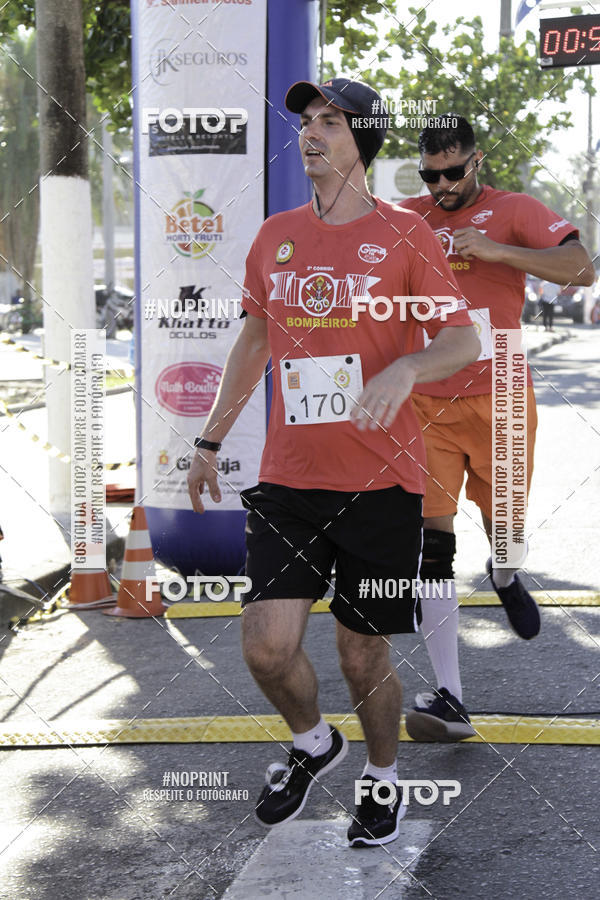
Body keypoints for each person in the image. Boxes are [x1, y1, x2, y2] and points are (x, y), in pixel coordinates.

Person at [187, 79, 479, 847]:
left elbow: (461, 339)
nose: (311, 132)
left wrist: (407, 367)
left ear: (363, 142)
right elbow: (254, 341)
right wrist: (211, 438)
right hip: (288, 478)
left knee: (362, 650)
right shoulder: (273, 236)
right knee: (266, 647)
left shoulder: (407, 235)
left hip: (382, 482)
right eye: (307, 121)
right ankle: (315, 741)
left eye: (331, 122)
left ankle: (382, 778)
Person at [401, 114, 595, 742]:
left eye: (453, 172)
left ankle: (505, 575)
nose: (443, 186)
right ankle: (449, 697)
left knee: (504, 530)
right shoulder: (407, 218)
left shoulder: (516, 210)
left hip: (502, 392)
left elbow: (581, 268)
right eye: (432, 176)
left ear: (476, 160)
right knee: (432, 542)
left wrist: (495, 251)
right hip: (428, 401)